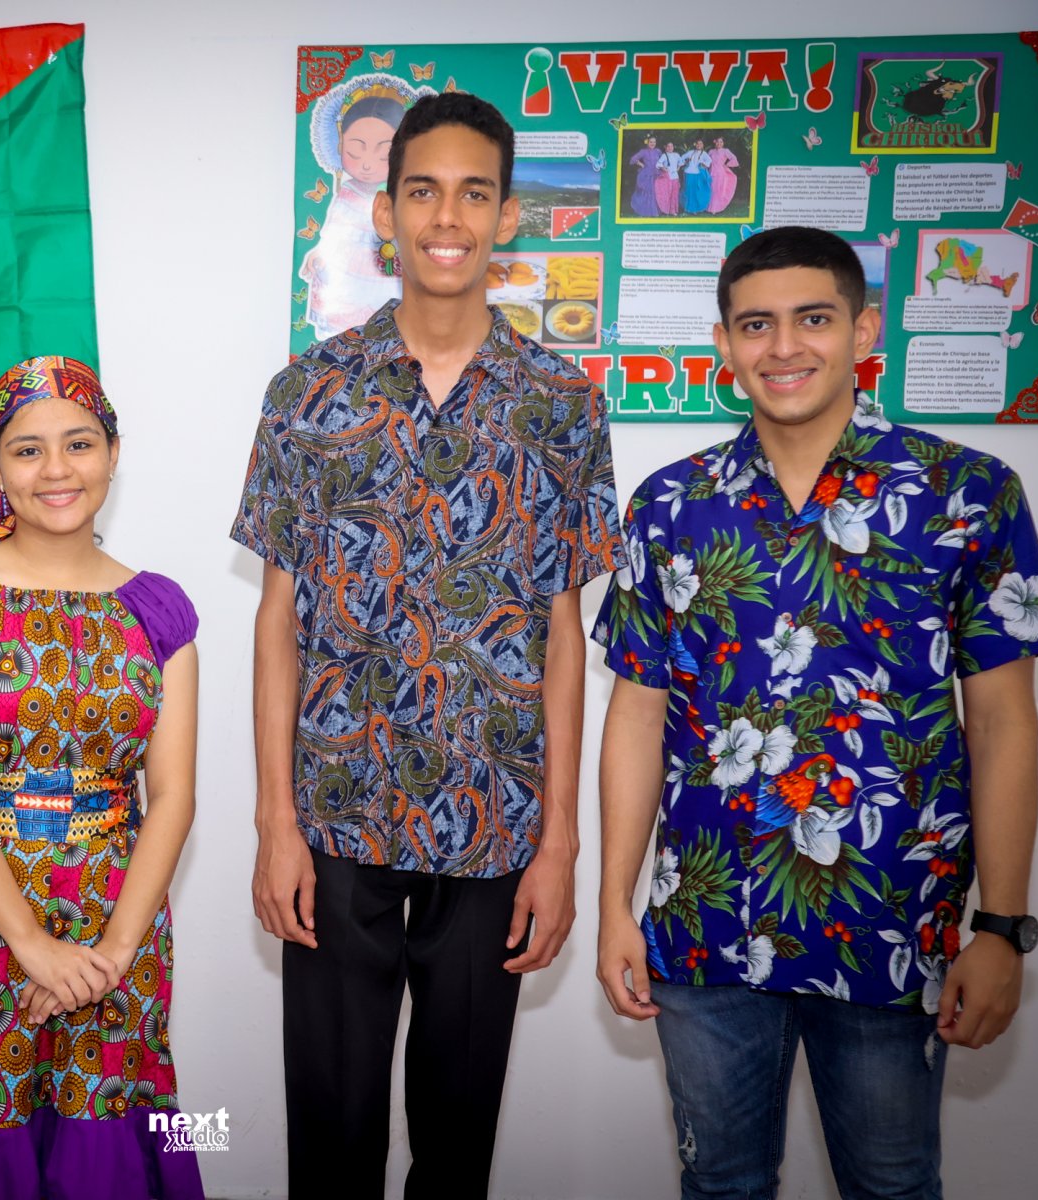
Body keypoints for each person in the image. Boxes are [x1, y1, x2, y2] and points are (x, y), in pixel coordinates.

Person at [594, 225, 1038, 1199]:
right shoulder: (670, 504)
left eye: (812, 319)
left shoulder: (965, 494)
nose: (784, 347)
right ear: (724, 345)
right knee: (719, 1188)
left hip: (891, 927)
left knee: (891, 1187)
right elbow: (637, 717)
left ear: (863, 329)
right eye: (756, 325)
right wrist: (613, 905)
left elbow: (1002, 725)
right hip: (705, 926)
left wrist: (1002, 925)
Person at [234, 91, 623, 1197]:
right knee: (332, 1133)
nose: (447, 216)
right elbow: (277, 622)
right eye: (422, 191)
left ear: (506, 217)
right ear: (384, 211)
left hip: (495, 822)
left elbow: (562, 636)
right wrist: (275, 823)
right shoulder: (308, 392)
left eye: (473, 193)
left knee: (457, 1143)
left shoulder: (561, 404)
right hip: (336, 811)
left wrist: (561, 842)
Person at [0, 356, 203, 1200]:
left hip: (117, 918)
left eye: (79, 443)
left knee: (123, 1115)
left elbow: (172, 797)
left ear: (114, 453)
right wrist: (31, 944)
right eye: (27, 450)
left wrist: (112, 954)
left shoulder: (159, 610)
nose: (56, 469)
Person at [299, 74, 422, 341]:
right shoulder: (347, 192)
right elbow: (334, 229)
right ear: (340, 144)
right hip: (348, 271)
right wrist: (320, 250)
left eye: (382, 154)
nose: (367, 164)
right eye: (355, 152)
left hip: (387, 269)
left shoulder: (404, 196)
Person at [628, 134, 662, 218]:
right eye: (651, 142)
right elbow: (633, 159)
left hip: (656, 174)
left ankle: (654, 211)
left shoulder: (658, 151)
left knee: (655, 192)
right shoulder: (643, 151)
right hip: (646, 174)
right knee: (647, 193)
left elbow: (662, 161)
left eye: (654, 142)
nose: (652, 144)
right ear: (647, 142)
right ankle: (644, 211)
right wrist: (641, 164)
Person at [707, 135, 739, 215]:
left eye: (721, 142)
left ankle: (715, 208)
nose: (719, 143)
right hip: (711, 172)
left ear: (723, 143)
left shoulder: (725, 151)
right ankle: (709, 207)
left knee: (717, 190)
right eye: (717, 142)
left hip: (720, 173)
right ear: (715, 142)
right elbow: (706, 161)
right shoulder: (711, 151)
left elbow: (733, 158)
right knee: (711, 189)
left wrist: (727, 165)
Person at [680, 139, 712, 215]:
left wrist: (703, 164)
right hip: (689, 173)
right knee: (689, 190)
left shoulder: (704, 153)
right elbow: (682, 158)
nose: (699, 145)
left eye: (700, 144)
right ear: (695, 145)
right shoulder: (690, 152)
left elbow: (709, 161)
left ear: (703, 145)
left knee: (697, 191)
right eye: (697, 144)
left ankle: (696, 208)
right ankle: (689, 208)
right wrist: (686, 162)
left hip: (698, 174)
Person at [654, 140, 683, 216]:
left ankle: (673, 210)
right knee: (667, 194)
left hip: (675, 177)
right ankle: (666, 209)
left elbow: (681, 162)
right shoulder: (664, 155)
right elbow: (658, 164)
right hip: (667, 177)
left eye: (671, 146)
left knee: (674, 194)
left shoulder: (676, 155)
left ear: (673, 147)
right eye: (668, 146)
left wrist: (678, 168)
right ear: (665, 147)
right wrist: (664, 169)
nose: (670, 148)